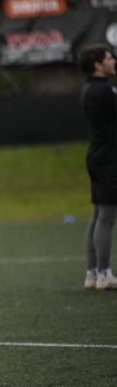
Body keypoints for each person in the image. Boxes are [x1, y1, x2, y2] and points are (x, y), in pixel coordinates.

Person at [78, 43, 117, 290]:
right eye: (109, 57)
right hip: (108, 158)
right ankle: (104, 273)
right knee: (107, 216)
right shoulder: (103, 92)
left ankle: (92, 273)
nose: (113, 60)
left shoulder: (91, 90)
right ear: (97, 65)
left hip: (97, 155)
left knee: (97, 214)